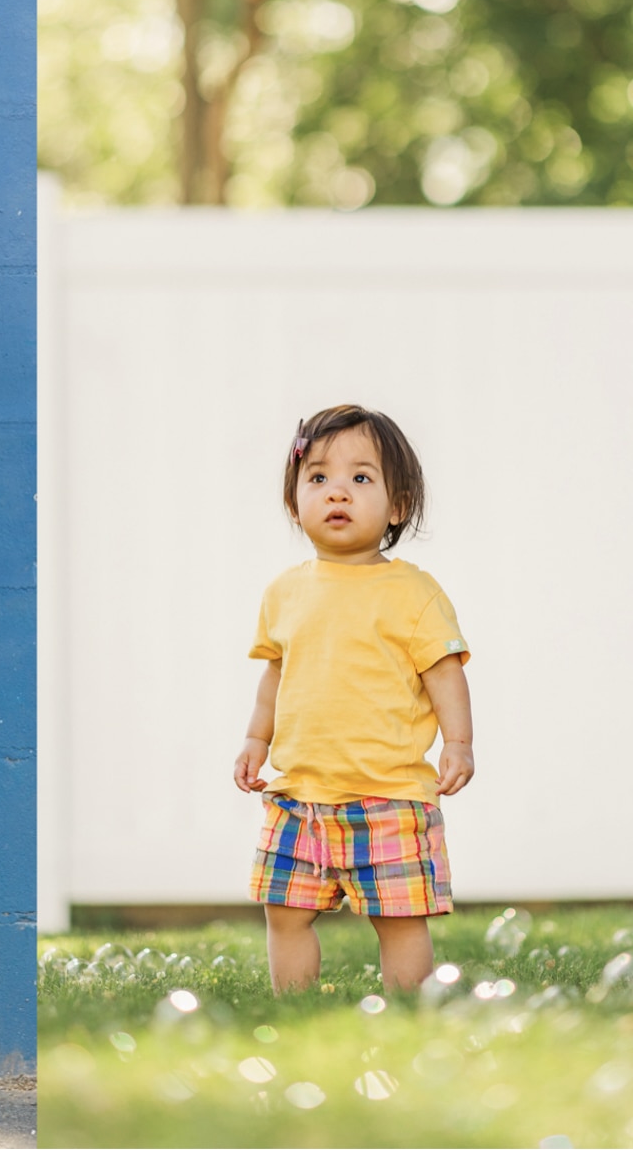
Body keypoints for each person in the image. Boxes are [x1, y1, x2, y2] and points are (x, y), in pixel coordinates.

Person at [233, 404, 474, 994]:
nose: (336, 491)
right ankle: (294, 1008)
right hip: (300, 797)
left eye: (360, 479)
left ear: (398, 506)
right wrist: (254, 740)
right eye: (317, 478)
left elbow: (444, 673)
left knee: (398, 917)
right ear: (296, 502)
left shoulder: (413, 592)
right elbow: (276, 676)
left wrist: (459, 743)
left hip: (390, 795)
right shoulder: (285, 592)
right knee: (284, 911)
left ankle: (409, 1007)